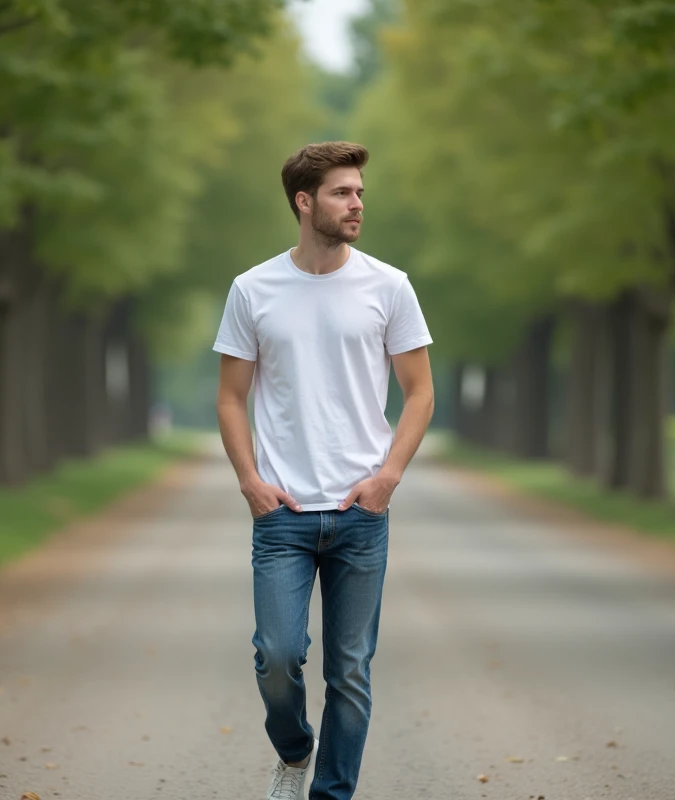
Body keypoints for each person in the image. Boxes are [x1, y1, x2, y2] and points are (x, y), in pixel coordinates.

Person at [213, 141, 435, 800]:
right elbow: (230, 396)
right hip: (282, 516)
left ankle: (330, 795)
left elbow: (420, 391)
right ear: (304, 202)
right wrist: (250, 483)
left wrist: (389, 476)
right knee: (277, 657)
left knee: (351, 671)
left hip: (360, 515)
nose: (357, 203)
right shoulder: (253, 290)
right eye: (343, 193)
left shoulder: (388, 286)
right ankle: (293, 749)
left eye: (360, 192)